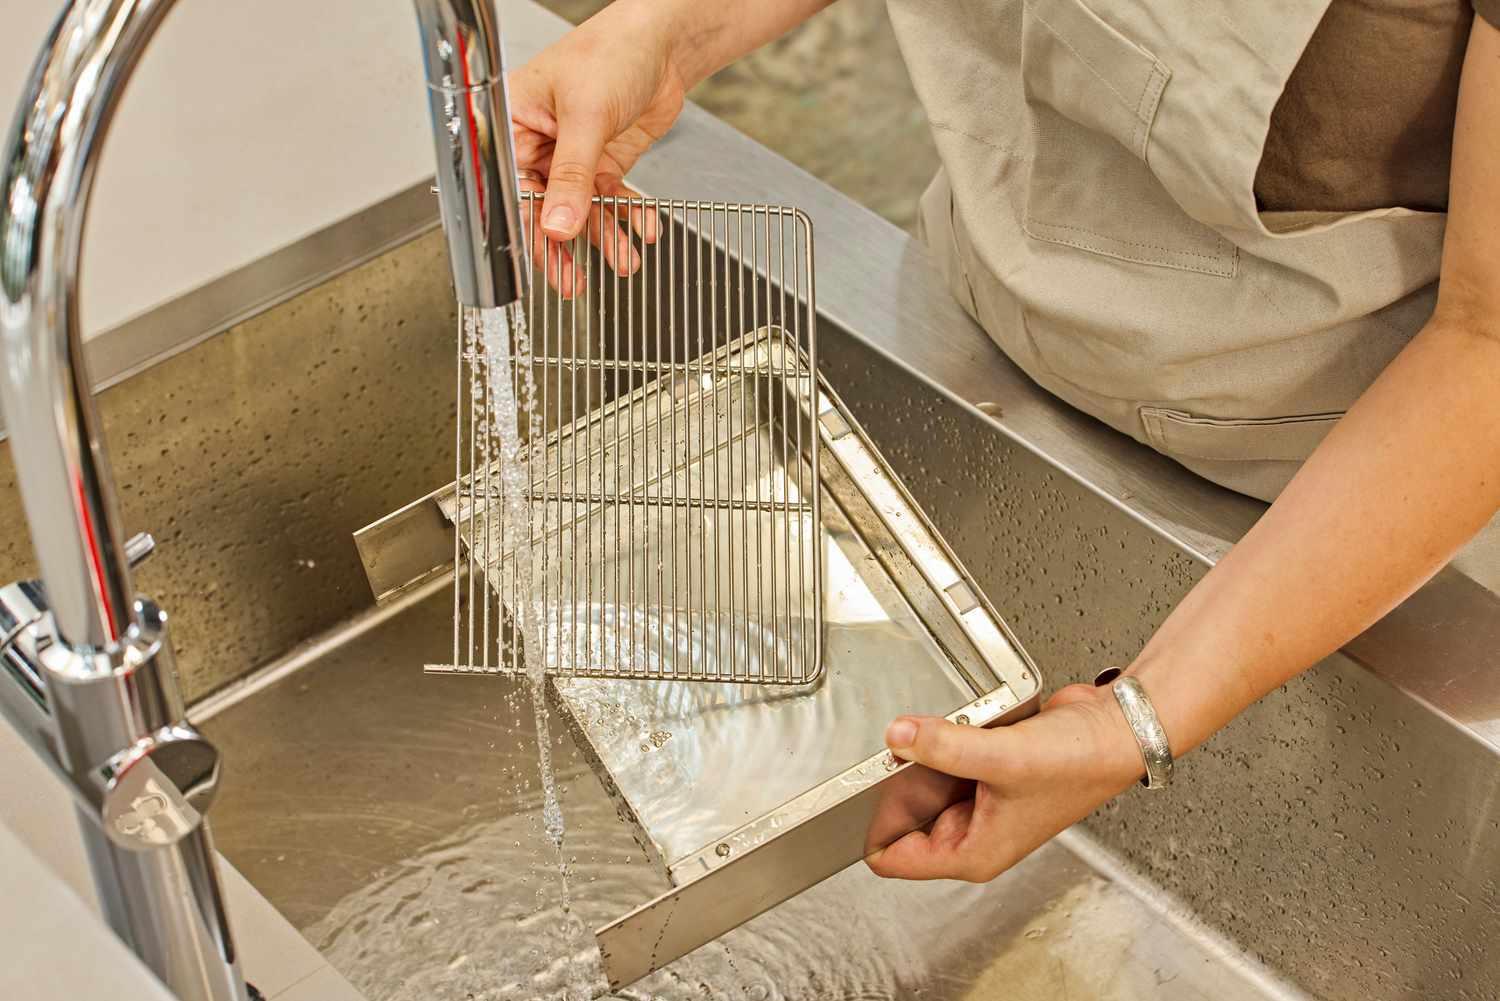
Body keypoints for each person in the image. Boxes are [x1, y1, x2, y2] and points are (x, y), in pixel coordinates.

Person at [506, 0, 1500, 883]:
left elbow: (1487, 338)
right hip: (968, 316)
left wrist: (1136, 721)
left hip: (1321, 496)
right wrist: (668, 33)